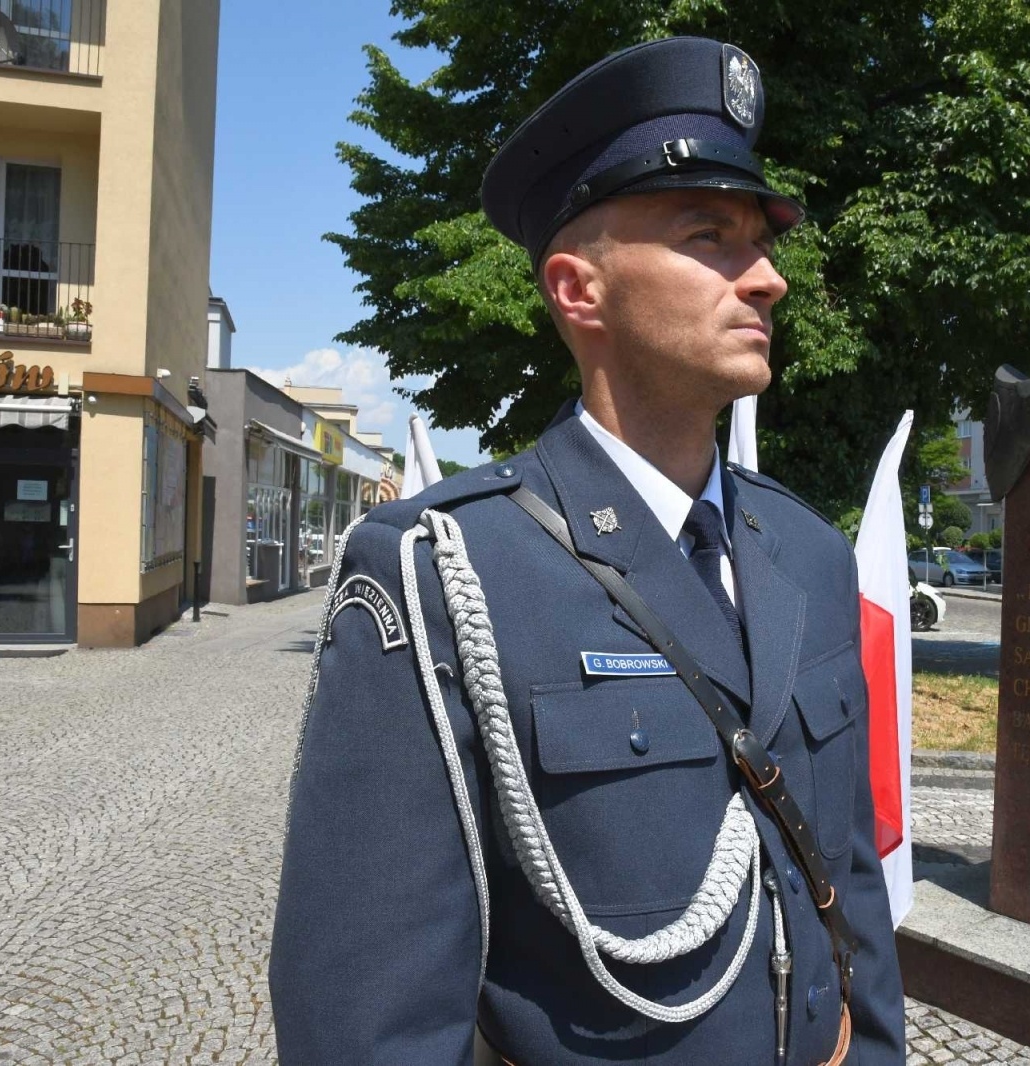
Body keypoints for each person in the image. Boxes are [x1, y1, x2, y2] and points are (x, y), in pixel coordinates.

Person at [270, 36, 905, 1065]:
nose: (769, 280)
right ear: (578, 291)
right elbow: (368, 1017)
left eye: (763, 242)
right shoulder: (445, 572)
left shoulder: (807, 553)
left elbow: (852, 894)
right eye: (712, 237)